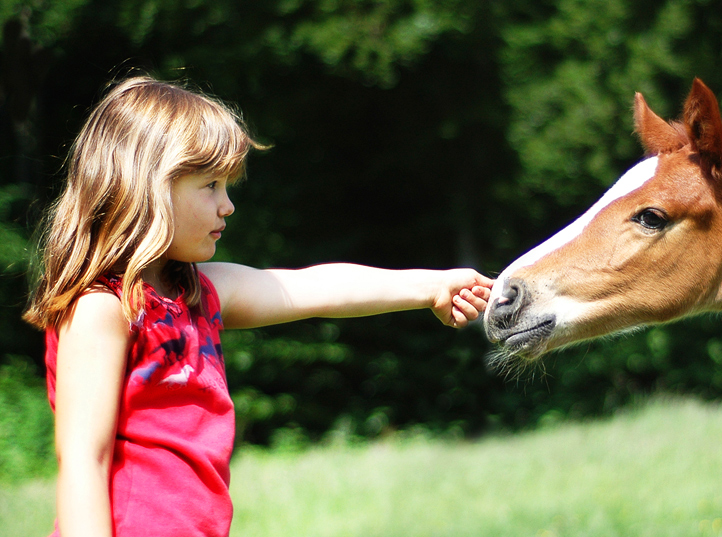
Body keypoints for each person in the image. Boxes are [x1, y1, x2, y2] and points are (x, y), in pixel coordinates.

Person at [22, 76, 493, 537]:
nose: (227, 205)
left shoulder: (201, 295)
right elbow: (84, 456)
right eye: (210, 185)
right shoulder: (101, 310)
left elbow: (316, 289)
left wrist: (432, 285)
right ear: (147, 187)